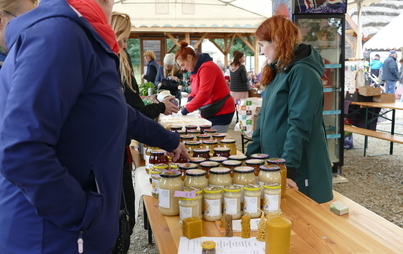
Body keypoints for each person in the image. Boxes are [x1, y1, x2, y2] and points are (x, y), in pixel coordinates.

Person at [0, 1, 189, 254]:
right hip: (54, 236)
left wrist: (169, 140)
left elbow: (116, 112)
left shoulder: (83, 34)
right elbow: (21, 149)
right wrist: (83, 215)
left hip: (70, 233)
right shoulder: (60, 34)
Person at [246, 15, 333, 204]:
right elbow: (263, 121)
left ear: (277, 41)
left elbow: (300, 124)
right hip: (276, 166)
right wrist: (249, 159)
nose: (261, 52)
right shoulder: (278, 71)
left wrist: (288, 168)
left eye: (262, 45)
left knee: (306, 224)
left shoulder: (303, 72)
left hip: (300, 168)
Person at [110, 11, 179, 239]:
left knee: (121, 216)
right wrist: (169, 137)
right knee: (123, 218)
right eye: (123, 38)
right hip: (113, 153)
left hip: (113, 151)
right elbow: (132, 114)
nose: (124, 44)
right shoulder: (113, 61)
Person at [175, 41, 235, 133]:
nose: (183, 68)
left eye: (183, 65)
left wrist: (186, 110)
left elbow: (204, 94)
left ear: (189, 58)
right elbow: (194, 92)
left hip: (222, 111)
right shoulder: (195, 70)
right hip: (211, 110)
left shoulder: (207, 67)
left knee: (215, 142)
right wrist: (189, 101)